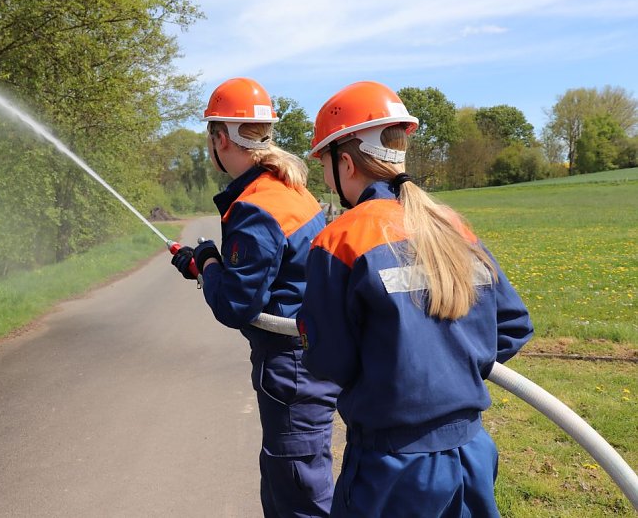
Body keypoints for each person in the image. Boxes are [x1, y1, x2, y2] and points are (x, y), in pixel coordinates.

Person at [296, 81, 534, 517]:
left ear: (345, 162)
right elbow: (514, 324)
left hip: (392, 467)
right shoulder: (450, 225)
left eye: (324, 167)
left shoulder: (341, 241)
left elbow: (329, 361)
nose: (325, 179)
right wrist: (451, 366)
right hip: (473, 454)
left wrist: (402, 369)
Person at [171, 77, 341, 517]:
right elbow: (275, 273)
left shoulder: (255, 205)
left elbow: (235, 306)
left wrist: (207, 262)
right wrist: (210, 264)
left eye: (211, 135)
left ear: (220, 137)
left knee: (297, 491)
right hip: (315, 355)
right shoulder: (289, 188)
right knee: (298, 479)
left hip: (291, 367)